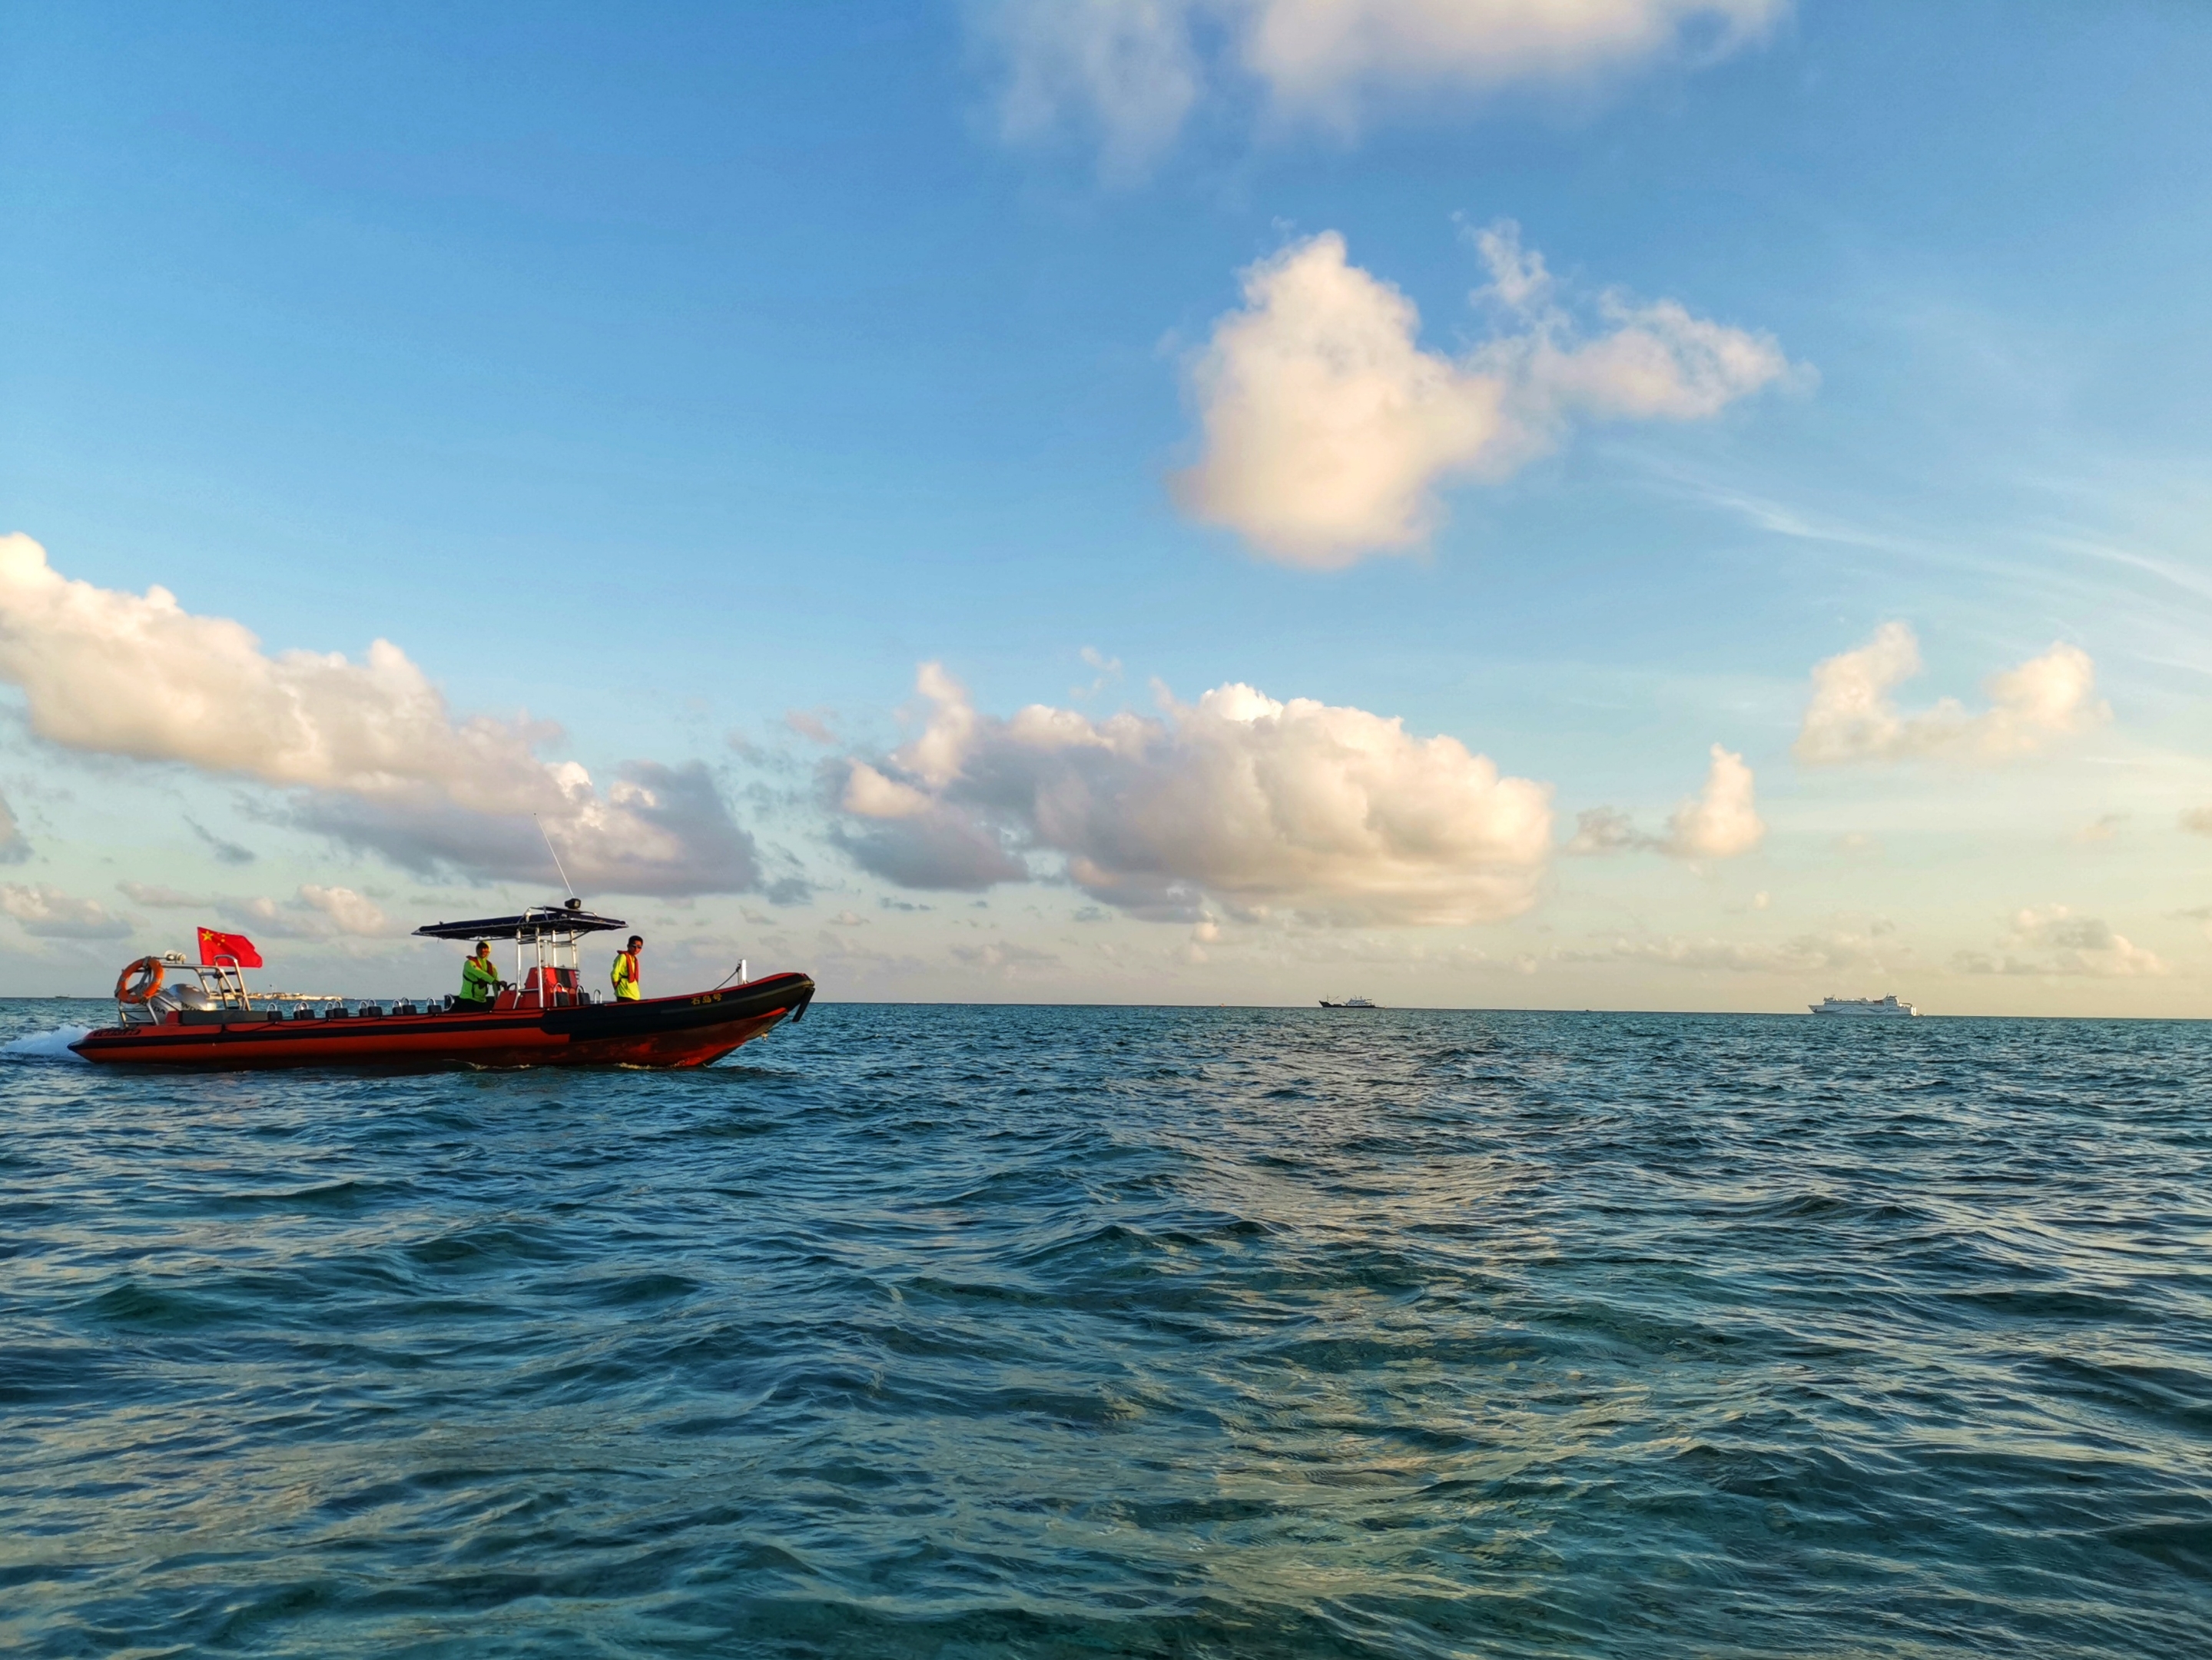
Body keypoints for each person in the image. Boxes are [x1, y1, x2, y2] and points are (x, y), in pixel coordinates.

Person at [458, 941, 503, 1008]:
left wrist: (497, 1000)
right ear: (476, 950)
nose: (482, 950)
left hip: (482, 1001)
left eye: (485, 948)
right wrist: (494, 981)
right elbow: (480, 973)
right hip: (467, 1000)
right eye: (480, 948)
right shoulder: (469, 963)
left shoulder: (491, 967)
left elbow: (496, 985)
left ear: (489, 951)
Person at [611, 935, 644, 1001]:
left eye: (639, 947)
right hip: (624, 992)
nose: (636, 949)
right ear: (628, 946)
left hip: (634, 993)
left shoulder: (634, 959)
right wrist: (616, 987)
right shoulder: (623, 957)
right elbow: (614, 973)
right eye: (633, 946)